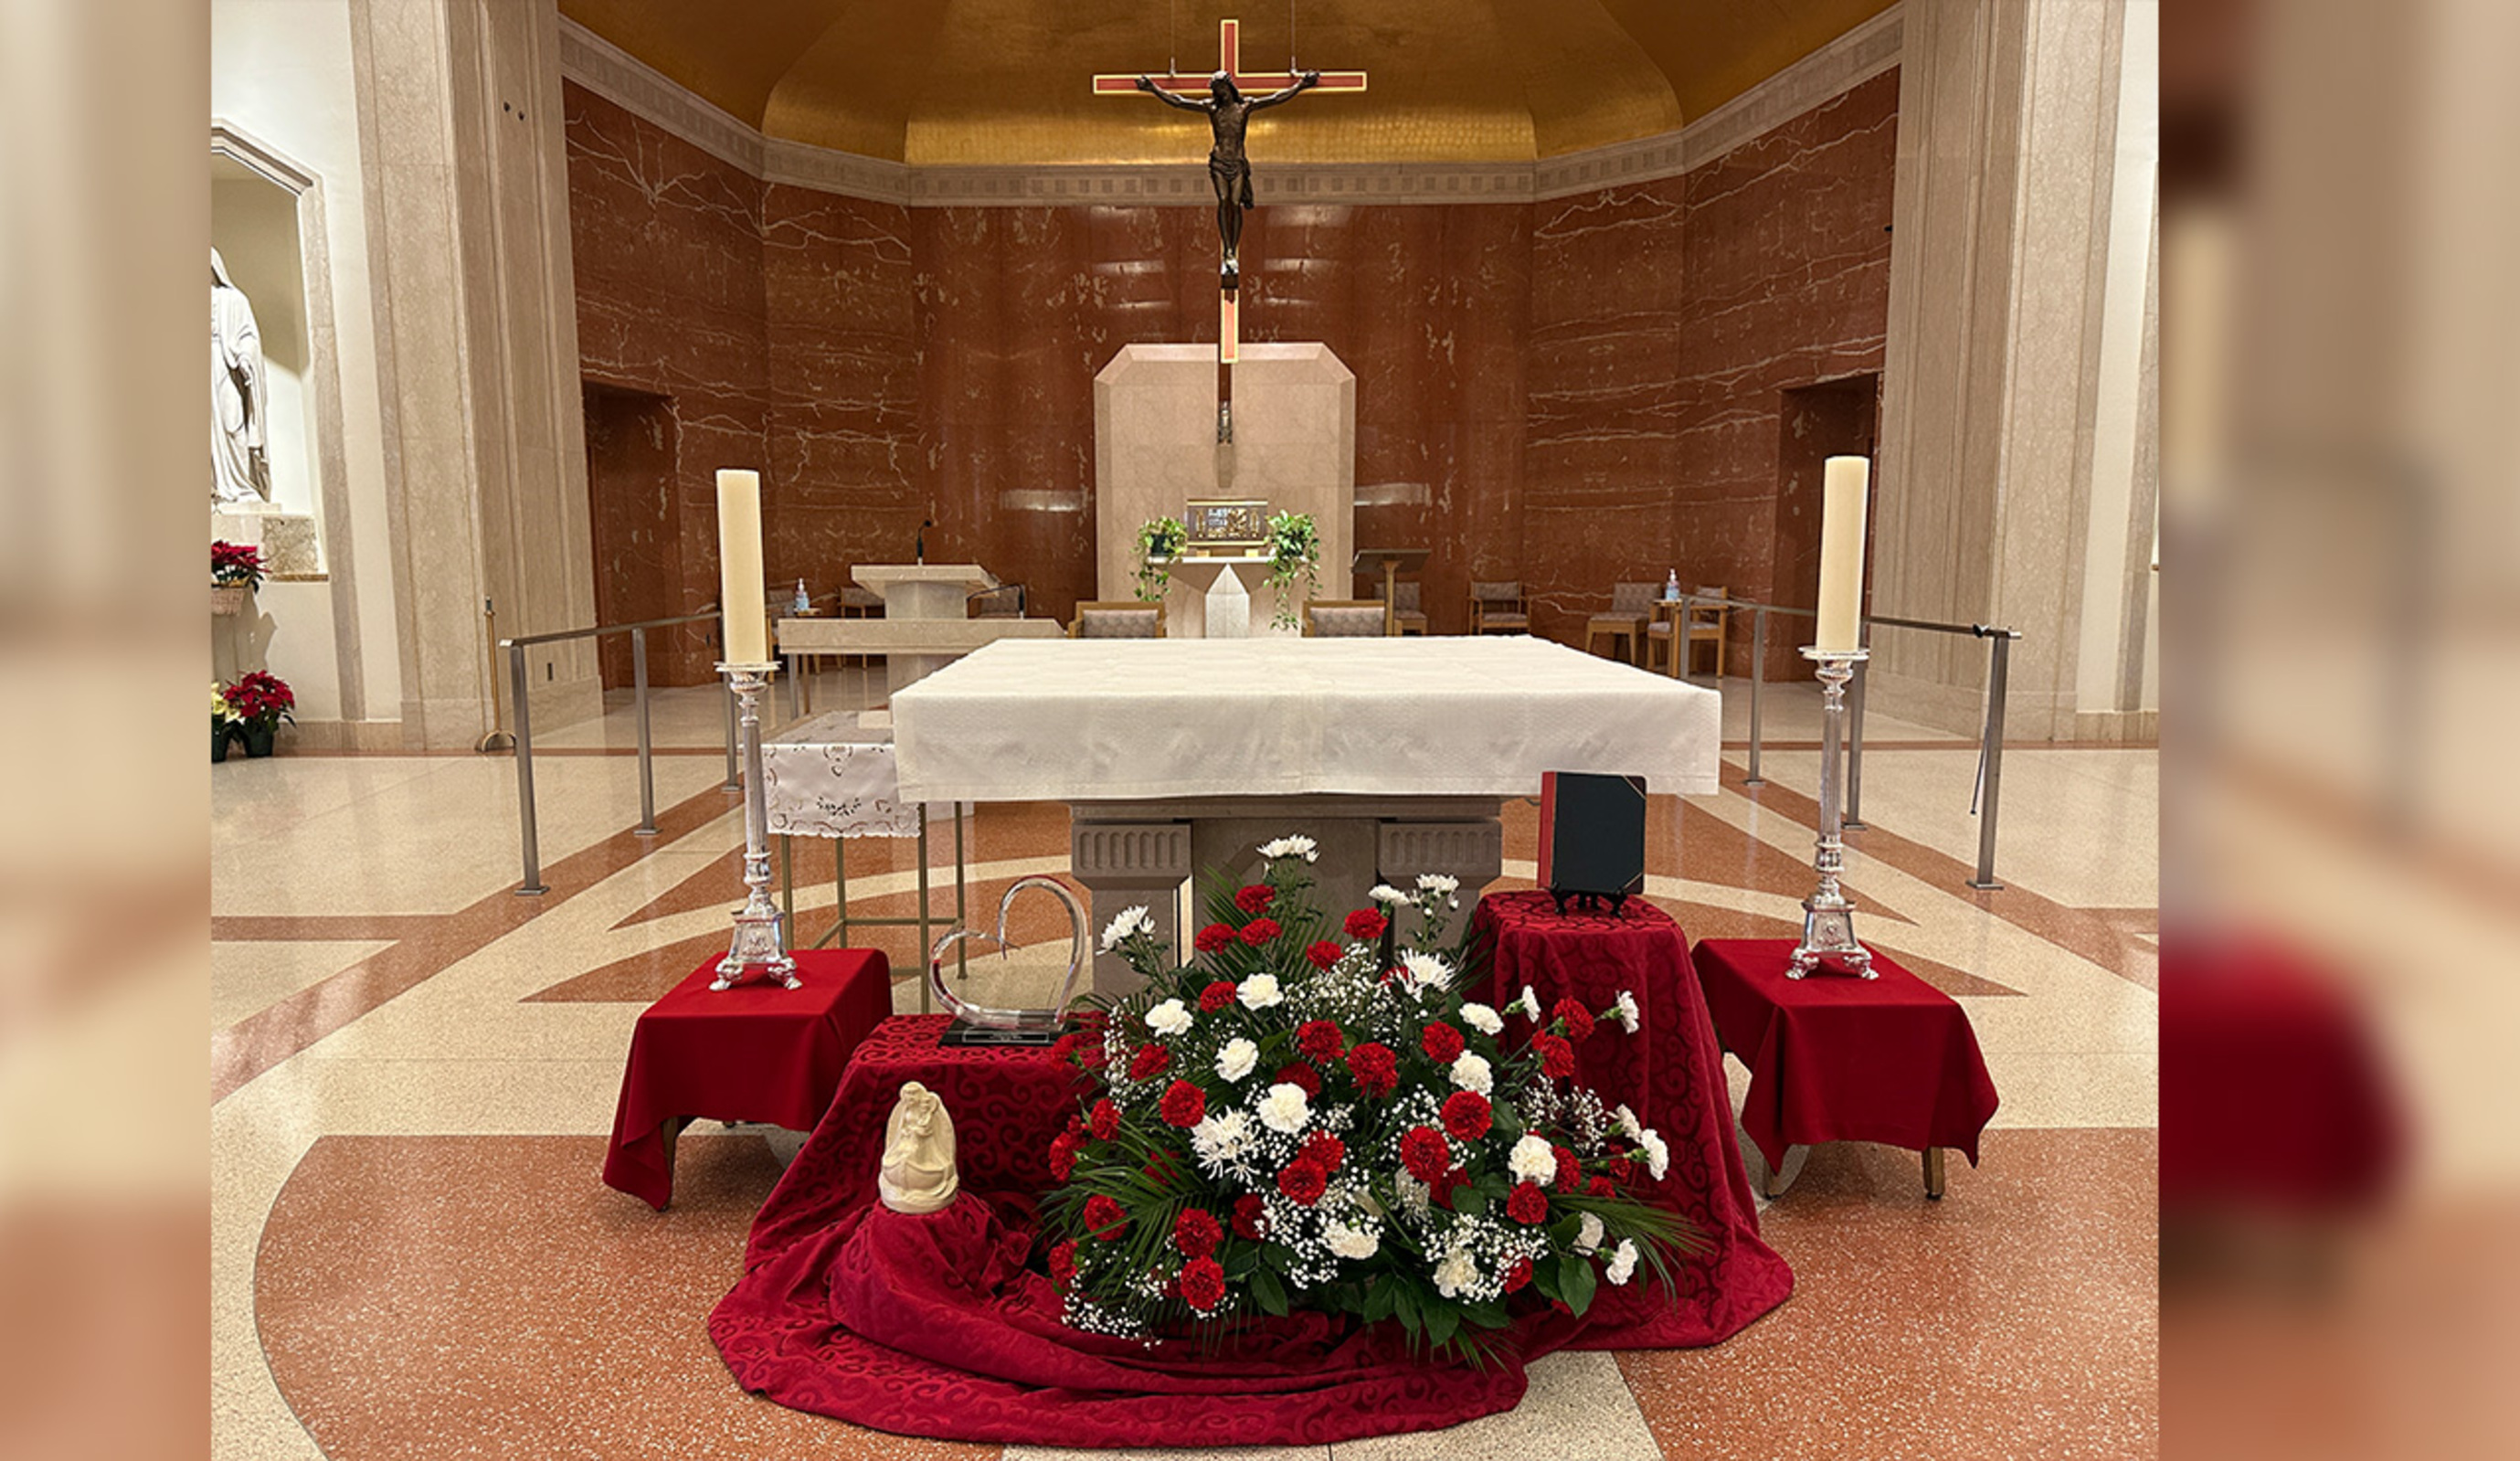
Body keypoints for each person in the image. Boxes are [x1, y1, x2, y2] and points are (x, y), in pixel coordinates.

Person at [1133, 69, 1321, 290]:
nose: (1218, 93)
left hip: (1237, 162)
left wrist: (1301, 85)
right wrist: (1153, 89)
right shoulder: (1212, 108)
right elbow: (1179, 102)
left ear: (1229, 87)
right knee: (1224, 201)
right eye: (1216, 90)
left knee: (1235, 202)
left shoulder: (1244, 107)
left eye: (1221, 88)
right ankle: (1228, 250)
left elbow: (1276, 99)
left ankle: (1233, 248)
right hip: (1219, 162)